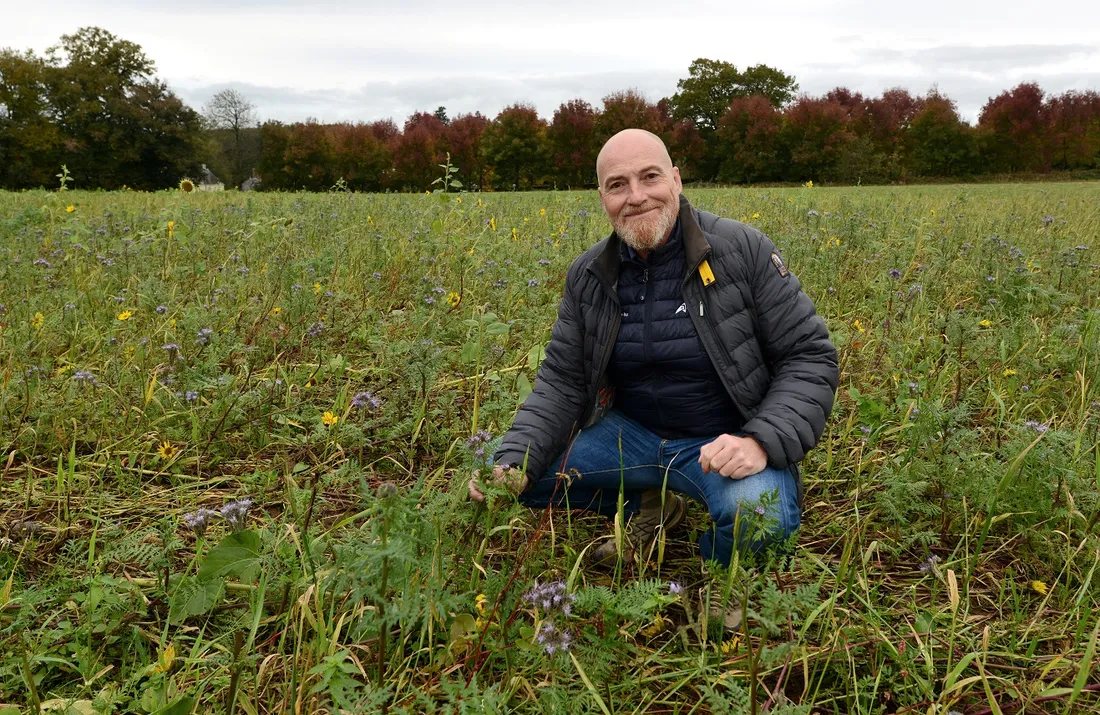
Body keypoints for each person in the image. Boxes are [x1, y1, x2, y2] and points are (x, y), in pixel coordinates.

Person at [468, 128, 838, 570]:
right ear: (602, 196)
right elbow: (563, 382)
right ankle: (650, 505)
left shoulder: (742, 251)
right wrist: (515, 458)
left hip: (723, 438)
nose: (637, 196)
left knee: (757, 515)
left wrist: (759, 440)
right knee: (509, 476)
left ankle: (721, 574)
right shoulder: (589, 274)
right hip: (631, 436)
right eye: (617, 185)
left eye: (650, 177)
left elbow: (809, 356)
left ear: (676, 180)